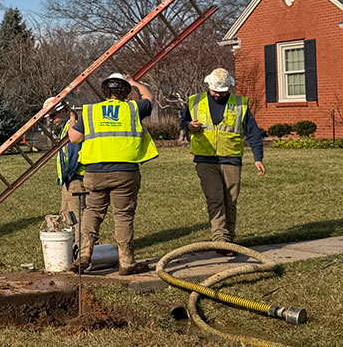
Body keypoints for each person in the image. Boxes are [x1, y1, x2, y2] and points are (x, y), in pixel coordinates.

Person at [67, 73, 158, 275]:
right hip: (125, 173)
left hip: (94, 172)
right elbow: (149, 98)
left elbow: (74, 138)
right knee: (123, 216)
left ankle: (84, 255)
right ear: (126, 92)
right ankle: (126, 262)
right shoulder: (134, 108)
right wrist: (135, 82)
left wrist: (73, 122)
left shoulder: (91, 112)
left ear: (105, 91)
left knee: (93, 211)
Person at [180, 68, 264, 250]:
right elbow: (182, 121)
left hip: (231, 158)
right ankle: (220, 238)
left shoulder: (240, 104)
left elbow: (253, 132)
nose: (218, 94)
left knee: (230, 200)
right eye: (215, 91)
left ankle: (229, 238)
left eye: (222, 91)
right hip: (205, 158)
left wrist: (258, 157)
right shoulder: (195, 101)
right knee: (215, 198)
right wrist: (189, 125)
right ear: (208, 86)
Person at [51, 99, 85, 248]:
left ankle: (83, 249)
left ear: (64, 111)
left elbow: (74, 154)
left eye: (53, 115)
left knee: (77, 215)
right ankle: (71, 247)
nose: (52, 120)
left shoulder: (73, 126)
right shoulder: (66, 127)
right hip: (68, 179)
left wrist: (69, 174)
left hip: (76, 177)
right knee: (66, 213)